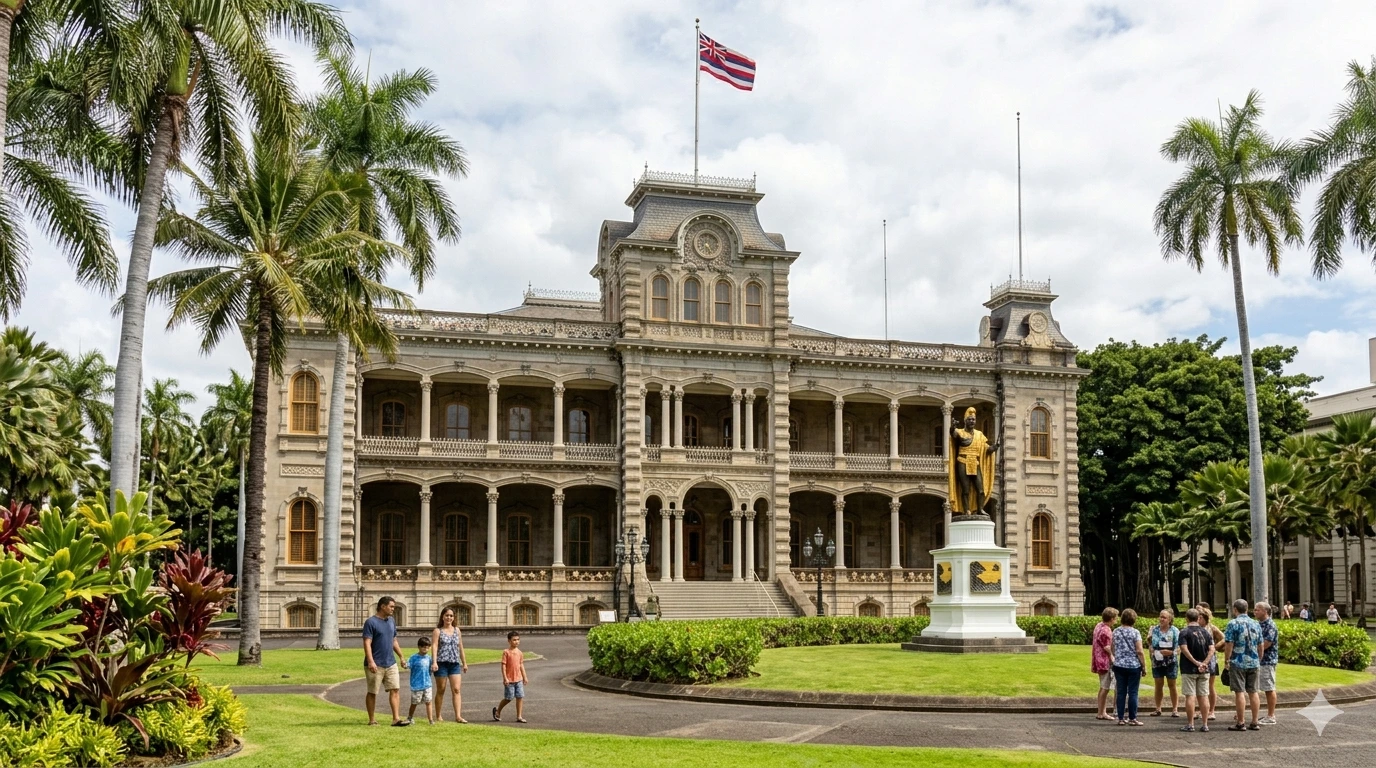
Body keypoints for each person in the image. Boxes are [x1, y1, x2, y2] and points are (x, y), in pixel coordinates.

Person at [363, 596, 409, 727]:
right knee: (372, 692)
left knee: (395, 689)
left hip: (390, 662)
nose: (393, 609)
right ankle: (372, 720)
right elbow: (367, 643)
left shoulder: (391, 621)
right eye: (391, 606)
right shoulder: (370, 622)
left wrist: (401, 656)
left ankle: (396, 719)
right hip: (375, 663)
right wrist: (371, 661)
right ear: (383, 606)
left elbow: (394, 640)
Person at [1223, 598, 1263, 731]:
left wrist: (1227, 659)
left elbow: (1229, 643)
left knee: (1239, 692)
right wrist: (1259, 658)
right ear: (1247, 609)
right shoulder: (1256, 624)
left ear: (1235, 609)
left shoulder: (1233, 624)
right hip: (1254, 661)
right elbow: (1260, 644)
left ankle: (1240, 722)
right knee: (1253, 692)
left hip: (1238, 661)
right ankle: (1255, 721)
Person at [1178, 608, 1215, 732]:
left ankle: (1190, 724)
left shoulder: (1184, 632)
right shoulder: (1206, 632)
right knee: (1203, 696)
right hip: (1204, 669)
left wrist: (1195, 662)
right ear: (1198, 618)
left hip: (1189, 668)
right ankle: (1205, 724)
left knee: (1190, 696)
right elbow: (1212, 649)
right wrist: (1204, 663)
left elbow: (1184, 649)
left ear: (1186, 618)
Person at [431, 607, 469, 723]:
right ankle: (438, 715)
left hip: (454, 663)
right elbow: (434, 646)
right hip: (441, 663)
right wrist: (434, 662)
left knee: (456, 689)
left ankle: (458, 716)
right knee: (441, 689)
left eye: (451, 616)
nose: (449, 618)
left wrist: (464, 662)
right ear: (442, 617)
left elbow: (460, 646)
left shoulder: (457, 630)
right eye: (447, 615)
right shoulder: (438, 631)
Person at [1111, 608, 1147, 726]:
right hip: (1133, 665)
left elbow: (1112, 648)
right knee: (1133, 692)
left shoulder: (1116, 631)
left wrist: (1116, 657)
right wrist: (1144, 666)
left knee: (1121, 692)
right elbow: (1139, 651)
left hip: (1119, 665)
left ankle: (1120, 718)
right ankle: (1132, 718)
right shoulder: (1135, 632)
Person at [1148, 609, 1180, 717]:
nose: (1161, 619)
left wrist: (1171, 652)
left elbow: (1179, 647)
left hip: (1171, 661)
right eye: (1160, 616)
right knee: (1158, 684)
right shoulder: (1154, 629)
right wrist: (1154, 652)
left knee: (1172, 685)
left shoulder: (1175, 631)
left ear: (1169, 619)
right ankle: (1158, 708)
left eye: (1164, 617)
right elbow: (1150, 644)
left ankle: (1175, 709)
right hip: (1157, 661)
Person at [492, 631, 529, 724]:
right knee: (508, 698)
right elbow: (503, 665)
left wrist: (525, 677)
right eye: (514, 640)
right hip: (509, 680)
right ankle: (498, 711)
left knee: (520, 697)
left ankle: (519, 716)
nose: (516, 641)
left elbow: (521, 665)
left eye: (518, 639)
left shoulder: (520, 653)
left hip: (518, 679)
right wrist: (505, 678)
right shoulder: (506, 652)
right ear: (509, 641)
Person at [1197, 604, 1225, 721]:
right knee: (1199, 686)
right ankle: (1202, 709)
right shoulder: (1195, 628)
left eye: (1200, 617)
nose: (1198, 619)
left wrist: (1215, 647)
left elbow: (1224, 638)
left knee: (1210, 685)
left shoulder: (1211, 628)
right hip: (1198, 659)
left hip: (1211, 660)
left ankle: (1211, 711)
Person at [1255, 601, 1279, 725]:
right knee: (1255, 688)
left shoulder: (1270, 625)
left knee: (1269, 688)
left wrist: (1252, 650)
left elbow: (1267, 643)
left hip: (1267, 661)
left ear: (1265, 611)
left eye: (1257, 610)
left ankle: (1271, 715)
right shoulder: (1258, 624)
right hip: (1258, 660)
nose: (1255, 612)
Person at [1093, 607, 1118, 721]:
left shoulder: (1099, 626)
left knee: (1103, 686)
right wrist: (1112, 656)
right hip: (1104, 661)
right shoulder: (1106, 630)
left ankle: (1102, 711)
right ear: (1111, 619)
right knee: (1105, 687)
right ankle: (1101, 712)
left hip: (1098, 659)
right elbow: (1107, 647)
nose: (1116, 620)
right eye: (1115, 618)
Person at [406, 637, 435, 725]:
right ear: (419, 647)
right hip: (416, 685)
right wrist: (404, 664)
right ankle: (410, 717)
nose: (425, 649)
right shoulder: (414, 658)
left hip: (427, 683)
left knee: (428, 702)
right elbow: (408, 665)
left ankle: (431, 720)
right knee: (414, 702)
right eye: (423, 647)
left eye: (427, 647)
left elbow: (431, 669)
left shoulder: (429, 658)